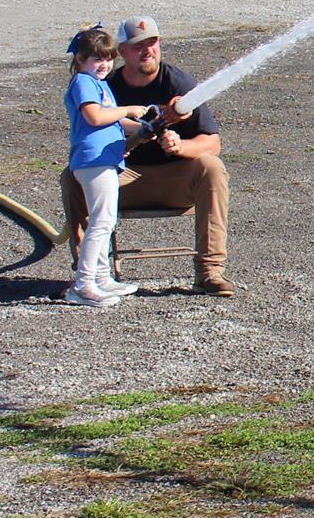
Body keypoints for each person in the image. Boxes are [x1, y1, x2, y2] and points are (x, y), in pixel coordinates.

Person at [59, 16, 237, 296]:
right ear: (123, 52)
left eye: (152, 43)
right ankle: (87, 275)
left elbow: (212, 142)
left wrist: (180, 147)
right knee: (72, 177)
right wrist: (138, 131)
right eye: (138, 45)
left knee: (211, 167)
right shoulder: (105, 84)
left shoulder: (179, 83)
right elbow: (96, 123)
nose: (148, 50)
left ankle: (209, 272)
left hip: (173, 181)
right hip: (122, 178)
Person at [63, 25, 151, 308]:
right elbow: (94, 116)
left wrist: (146, 125)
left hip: (106, 161)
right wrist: (127, 109)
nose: (104, 65)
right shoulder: (83, 83)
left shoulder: (99, 84)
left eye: (108, 59)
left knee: (106, 220)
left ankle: (101, 277)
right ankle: (84, 284)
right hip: (94, 160)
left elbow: (113, 120)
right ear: (80, 60)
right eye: (97, 59)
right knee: (101, 221)